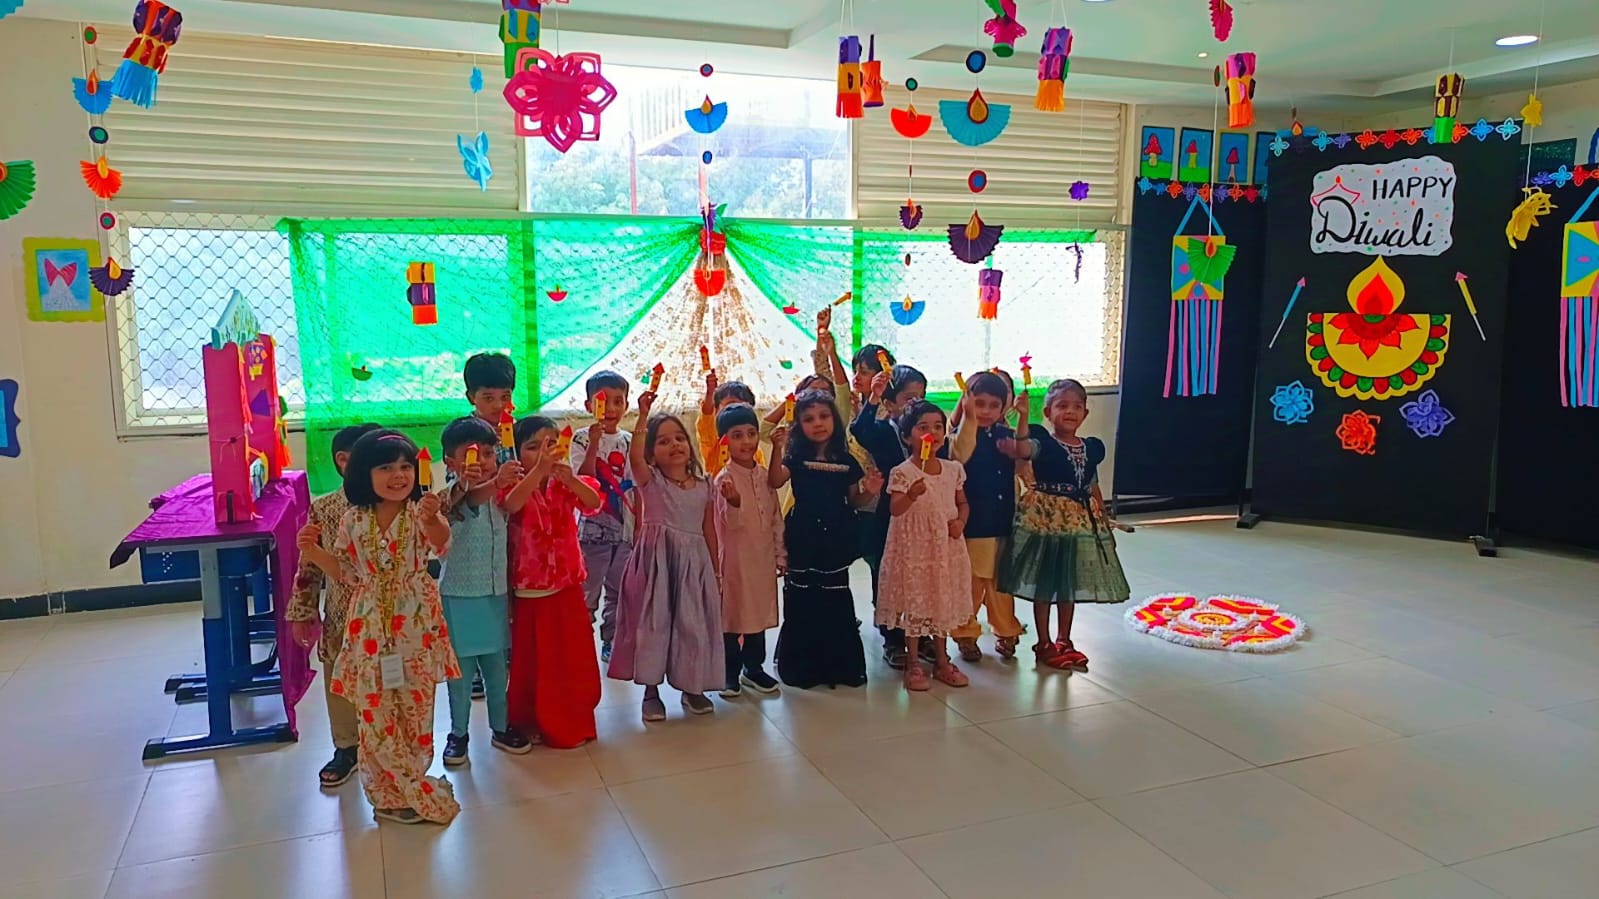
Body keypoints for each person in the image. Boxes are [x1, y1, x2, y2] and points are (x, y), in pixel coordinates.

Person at [296, 429, 460, 826]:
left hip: (416, 627)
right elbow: (347, 573)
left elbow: (442, 544)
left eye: (405, 466)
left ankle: (412, 783)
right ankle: (387, 795)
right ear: (362, 473)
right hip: (368, 627)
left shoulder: (420, 513)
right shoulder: (353, 519)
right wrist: (312, 551)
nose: (398, 475)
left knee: (415, 707)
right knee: (374, 710)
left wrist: (433, 517)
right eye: (385, 467)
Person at [607, 391, 725, 721]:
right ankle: (651, 692)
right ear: (652, 455)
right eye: (663, 441)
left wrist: (716, 572)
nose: (674, 445)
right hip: (656, 566)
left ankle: (692, 687)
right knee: (653, 627)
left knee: (692, 626)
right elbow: (634, 458)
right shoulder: (652, 481)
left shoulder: (704, 485)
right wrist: (643, 416)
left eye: (679, 438)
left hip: (694, 567)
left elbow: (710, 529)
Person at [998, 379, 1131, 670]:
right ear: (1048, 412)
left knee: (1067, 580)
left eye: (1076, 406)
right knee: (1046, 581)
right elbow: (1023, 450)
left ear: (1085, 413)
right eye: (1062, 406)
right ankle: (1044, 642)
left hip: (1078, 520)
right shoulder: (1043, 442)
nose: (1070, 411)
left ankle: (1064, 639)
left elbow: (1092, 484)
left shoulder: (1091, 447)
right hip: (1047, 520)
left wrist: (1103, 520)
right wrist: (1023, 417)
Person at [501, 415, 605, 747]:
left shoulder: (565, 481)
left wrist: (570, 478)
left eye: (550, 445)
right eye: (532, 447)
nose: (543, 453)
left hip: (567, 584)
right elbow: (510, 505)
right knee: (536, 661)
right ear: (517, 452)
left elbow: (593, 503)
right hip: (530, 587)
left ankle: (574, 718)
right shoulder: (513, 483)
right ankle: (530, 720)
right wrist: (537, 472)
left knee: (571, 658)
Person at [288, 421, 381, 789]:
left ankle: (387, 747)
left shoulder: (394, 506)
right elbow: (309, 566)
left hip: (387, 615)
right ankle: (347, 746)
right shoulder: (325, 508)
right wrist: (303, 612)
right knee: (340, 680)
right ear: (344, 461)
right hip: (343, 614)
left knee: (388, 679)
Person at [433, 416, 530, 767]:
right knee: (459, 674)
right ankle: (458, 734)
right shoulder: (450, 493)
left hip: (495, 591)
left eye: (489, 453)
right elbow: (469, 498)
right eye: (472, 455)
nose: (484, 462)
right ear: (451, 461)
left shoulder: (499, 491)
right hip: (459, 595)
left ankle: (500, 727)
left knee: (496, 669)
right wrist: (495, 482)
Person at [770, 389, 877, 689]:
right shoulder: (796, 458)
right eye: (809, 419)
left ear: (834, 419)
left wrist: (870, 491)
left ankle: (838, 667)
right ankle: (802, 667)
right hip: (803, 534)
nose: (818, 423)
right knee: (801, 596)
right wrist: (777, 447)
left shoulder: (847, 461)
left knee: (835, 596)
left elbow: (854, 501)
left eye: (824, 416)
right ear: (799, 425)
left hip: (836, 535)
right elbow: (775, 480)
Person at [879, 400, 973, 691]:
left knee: (941, 600)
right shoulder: (903, 471)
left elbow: (962, 503)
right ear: (907, 437)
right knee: (916, 602)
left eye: (937, 427)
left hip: (945, 548)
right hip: (915, 549)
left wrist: (961, 522)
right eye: (922, 428)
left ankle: (943, 661)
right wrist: (911, 494)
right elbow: (895, 509)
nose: (931, 433)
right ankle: (914, 662)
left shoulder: (952, 469)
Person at [851, 363, 930, 669]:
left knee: (920, 574)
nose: (916, 403)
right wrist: (873, 396)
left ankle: (921, 633)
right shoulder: (884, 431)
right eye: (909, 398)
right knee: (888, 575)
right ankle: (892, 637)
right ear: (891, 403)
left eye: (921, 396)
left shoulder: (929, 434)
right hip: (891, 515)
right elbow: (860, 429)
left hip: (922, 515)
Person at [948, 372, 1028, 662]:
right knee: (970, 584)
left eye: (994, 405)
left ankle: (1006, 630)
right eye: (979, 403)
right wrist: (968, 416)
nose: (986, 411)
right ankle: (965, 633)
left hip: (1002, 522)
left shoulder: (1006, 435)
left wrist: (1023, 419)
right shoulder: (959, 435)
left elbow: (1022, 465)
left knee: (1000, 584)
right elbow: (960, 455)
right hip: (973, 525)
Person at [711, 403, 784, 698]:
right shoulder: (723, 480)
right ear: (725, 441)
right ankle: (729, 673)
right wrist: (734, 503)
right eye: (737, 435)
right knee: (733, 617)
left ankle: (754, 668)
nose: (747, 441)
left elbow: (775, 517)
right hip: (735, 562)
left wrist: (780, 553)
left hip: (762, 560)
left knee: (757, 614)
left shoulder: (765, 476)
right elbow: (729, 525)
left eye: (751, 433)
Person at [572, 370, 634, 662]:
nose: (610, 408)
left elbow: (635, 485)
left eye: (617, 401)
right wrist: (594, 444)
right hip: (590, 533)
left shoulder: (629, 440)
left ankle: (612, 641)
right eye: (602, 401)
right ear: (588, 405)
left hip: (623, 532)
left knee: (620, 592)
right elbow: (583, 479)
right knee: (587, 593)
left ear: (626, 405)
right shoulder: (581, 438)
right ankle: (581, 644)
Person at [697, 377, 758, 477]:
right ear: (716, 411)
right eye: (730, 406)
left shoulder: (753, 446)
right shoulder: (714, 439)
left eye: (743, 407)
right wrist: (710, 393)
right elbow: (706, 417)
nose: (737, 412)